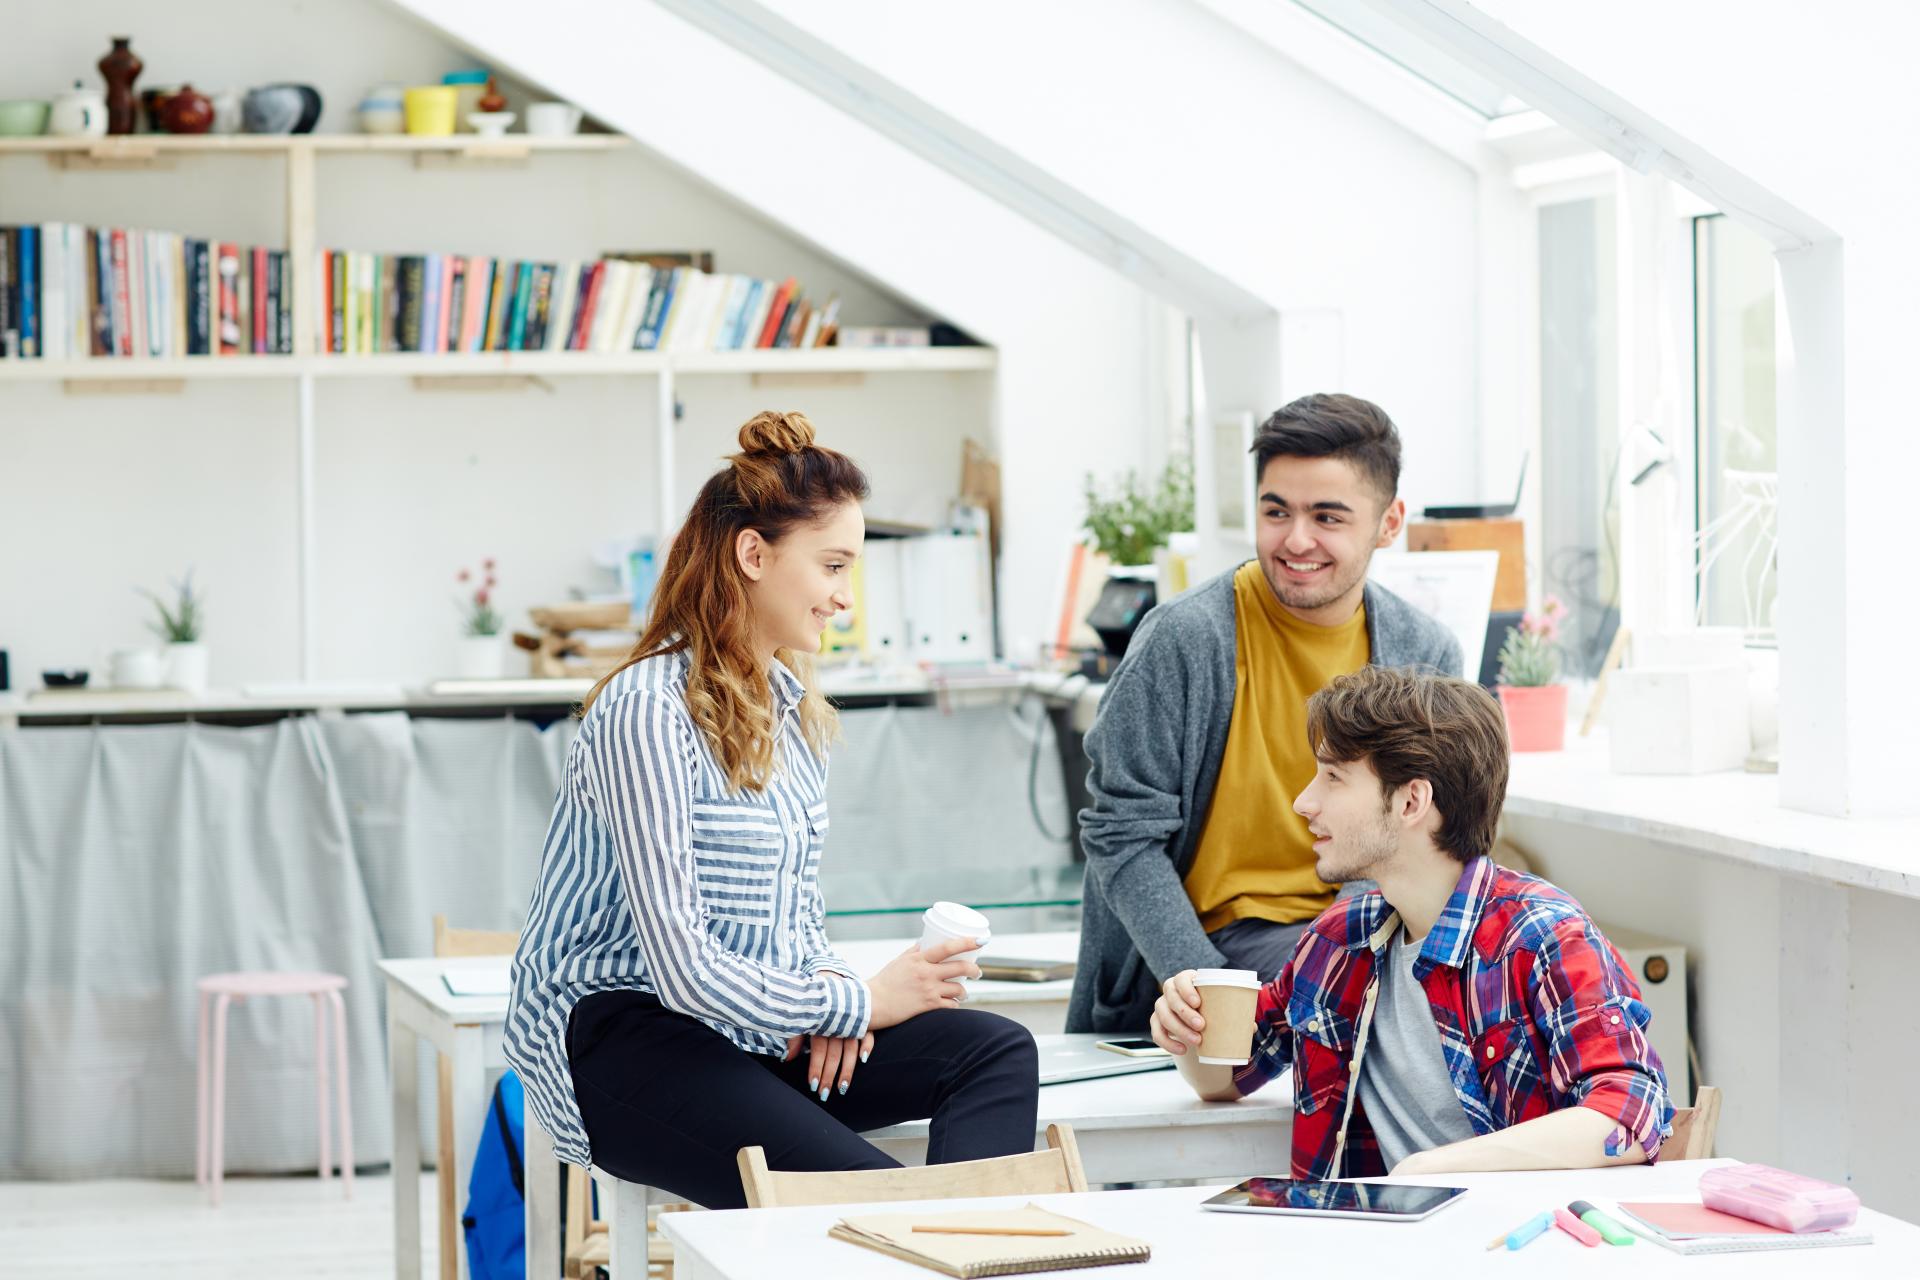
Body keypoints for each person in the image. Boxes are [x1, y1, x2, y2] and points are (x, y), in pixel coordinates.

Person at [505, 411, 1038, 1210]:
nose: (844, 600)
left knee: (996, 1051)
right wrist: (856, 999)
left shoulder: (791, 711)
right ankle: (943, 1244)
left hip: (751, 1032)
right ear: (753, 554)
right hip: (626, 1041)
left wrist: (831, 992)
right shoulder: (646, 711)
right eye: (832, 567)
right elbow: (683, 970)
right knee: (878, 1207)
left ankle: (964, 1242)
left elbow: (796, 920)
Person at [1150, 666, 1673, 1177]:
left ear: (1410, 801)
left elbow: (1629, 1113)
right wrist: (1187, 1027)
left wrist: (1433, 1169)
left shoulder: (1543, 937)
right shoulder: (1339, 941)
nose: (1303, 802)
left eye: (1333, 777)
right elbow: (1224, 1080)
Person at [1068, 393, 1462, 1034]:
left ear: (1389, 523)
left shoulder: (1424, 654)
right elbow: (1122, 834)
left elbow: (1419, 835)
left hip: (1351, 935)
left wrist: (1338, 955)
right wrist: (1206, 991)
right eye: (1276, 511)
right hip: (1202, 955)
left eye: (1327, 517)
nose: (1295, 540)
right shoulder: (1182, 639)